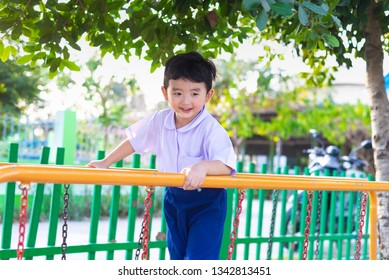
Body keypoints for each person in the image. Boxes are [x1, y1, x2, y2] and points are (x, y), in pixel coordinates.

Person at [87, 51, 236, 260]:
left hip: (207, 202)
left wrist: (202, 167)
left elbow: (226, 165)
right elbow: (134, 140)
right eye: (177, 93)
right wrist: (105, 162)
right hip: (174, 198)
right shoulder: (160, 120)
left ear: (208, 95)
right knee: (177, 256)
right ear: (165, 93)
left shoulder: (211, 128)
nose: (186, 101)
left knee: (198, 259)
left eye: (194, 93)